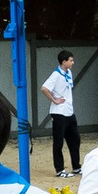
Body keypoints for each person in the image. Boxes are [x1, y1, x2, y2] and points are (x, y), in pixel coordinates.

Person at [39, 51, 81, 179]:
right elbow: (44, 88)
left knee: (75, 139)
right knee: (58, 142)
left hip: (69, 111)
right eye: (70, 60)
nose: (72, 62)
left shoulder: (68, 73)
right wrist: (54, 100)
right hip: (59, 113)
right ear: (64, 62)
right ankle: (60, 169)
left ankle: (76, 166)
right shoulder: (56, 75)